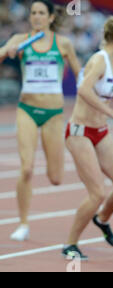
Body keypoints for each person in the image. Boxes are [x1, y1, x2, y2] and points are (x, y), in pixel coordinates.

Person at [61, 14, 113, 260]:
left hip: (100, 132)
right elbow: (83, 89)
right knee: (97, 192)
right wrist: (111, 111)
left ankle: (102, 218)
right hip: (79, 132)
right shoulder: (99, 61)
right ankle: (70, 244)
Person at [0, 0, 81, 241]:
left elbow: (82, 76)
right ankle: (23, 223)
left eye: (41, 13)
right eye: (33, 13)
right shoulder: (19, 39)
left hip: (53, 114)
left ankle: (53, 169)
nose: (36, 17)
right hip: (26, 109)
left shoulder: (63, 43)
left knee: (55, 177)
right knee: (26, 168)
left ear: (50, 17)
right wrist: (6, 51)